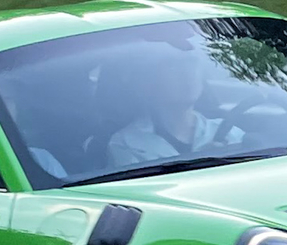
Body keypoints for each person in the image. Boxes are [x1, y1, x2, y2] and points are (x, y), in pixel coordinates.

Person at [103, 44, 242, 171]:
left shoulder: (231, 134)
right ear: (149, 81)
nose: (187, 74)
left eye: (192, 63)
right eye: (173, 66)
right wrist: (200, 160)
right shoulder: (125, 143)